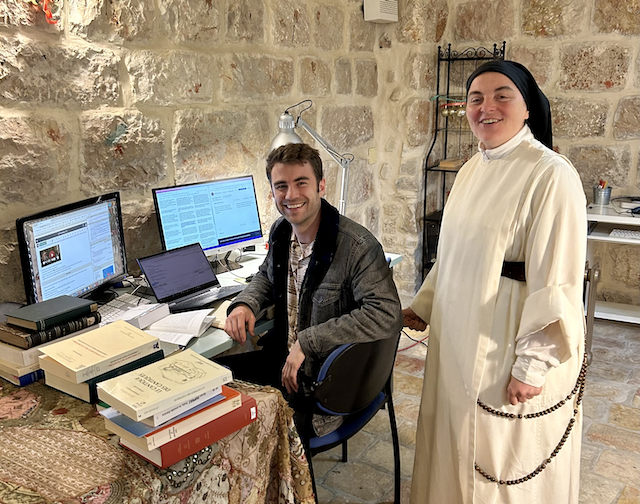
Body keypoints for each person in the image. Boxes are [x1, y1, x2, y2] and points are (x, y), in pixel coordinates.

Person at [405, 60, 587, 504]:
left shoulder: (550, 174)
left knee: (500, 460)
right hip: (457, 339)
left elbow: (558, 282)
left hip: (507, 340)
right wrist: (422, 305)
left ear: (528, 107)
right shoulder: (470, 170)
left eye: (502, 95)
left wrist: (532, 366)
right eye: (475, 98)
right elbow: (451, 254)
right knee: (454, 442)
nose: (486, 107)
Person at [219, 142, 402, 439]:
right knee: (212, 381)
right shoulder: (281, 231)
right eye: (281, 186)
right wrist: (245, 305)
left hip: (324, 386)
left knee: (237, 429)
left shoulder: (356, 246)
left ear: (321, 185)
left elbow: (386, 314)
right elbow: (266, 275)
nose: (290, 195)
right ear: (272, 192)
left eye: (300, 183)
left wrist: (309, 341)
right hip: (282, 364)